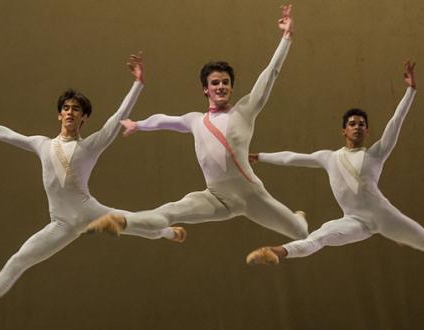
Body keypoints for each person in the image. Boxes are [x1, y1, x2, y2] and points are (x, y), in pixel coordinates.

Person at [0, 53, 186, 330]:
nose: (70, 112)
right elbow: (8, 135)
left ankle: (169, 232)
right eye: (66, 108)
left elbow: (117, 118)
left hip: (92, 213)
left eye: (77, 109)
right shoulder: (42, 144)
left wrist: (138, 84)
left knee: (140, 225)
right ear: (59, 113)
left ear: (84, 117)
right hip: (61, 223)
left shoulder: (90, 146)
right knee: (18, 260)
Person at [87, 5, 308, 246]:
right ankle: (122, 223)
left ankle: (299, 218)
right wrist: (138, 124)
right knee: (170, 210)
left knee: (301, 233)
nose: (221, 86)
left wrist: (286, 37)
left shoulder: (244, 111)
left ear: (231, 87)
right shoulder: (195, 120)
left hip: (251, 195)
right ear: (206, 88)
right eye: (215, 83)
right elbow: (164, 120)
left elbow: (270, 74)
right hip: (216, 198)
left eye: (225, 82)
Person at [246, 60, 424, 266]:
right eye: (352, 124)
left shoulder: (376, 154)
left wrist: (411, 90)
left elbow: (396, 121)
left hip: (384, 216)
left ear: (367, 130)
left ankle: (399, 235)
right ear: (344, 130)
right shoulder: (329, 157)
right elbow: (292, 157)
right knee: (319, 237)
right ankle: (274, 251)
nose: (357, 127)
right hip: (354, 221)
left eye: (361, 124)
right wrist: (261, 156)